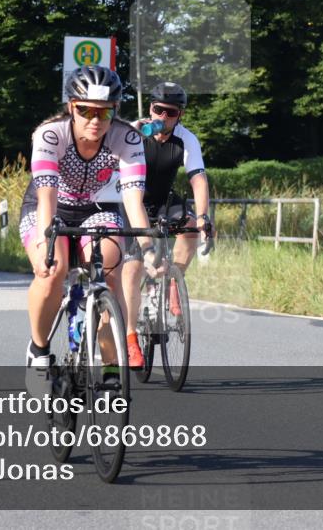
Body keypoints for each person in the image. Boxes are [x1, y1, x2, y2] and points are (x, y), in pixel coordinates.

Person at [20, 66, 155, 386]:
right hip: (48, 208)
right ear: (71, 108)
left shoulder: (128, 137)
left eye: (104, 112)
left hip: (98, 210)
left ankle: (110, 368)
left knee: (108, 267)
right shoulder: (50, 134)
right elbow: (46, 198)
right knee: (53, 269)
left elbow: (134, 202)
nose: (95, 120)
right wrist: (45, 246)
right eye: (85, 110)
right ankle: (38, 351)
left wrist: (148, 250)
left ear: (115, 111)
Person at [120, 82, 213, 369]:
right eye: (157, 109)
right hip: (131, 201)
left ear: (179, 115)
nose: (162, 116)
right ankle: (131, 337)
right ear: (150, 108)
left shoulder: (186, 139)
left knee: (190, 227)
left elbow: (198, 178)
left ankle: (173, 280)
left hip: (163, 201)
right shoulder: (133, 132)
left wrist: (203, 217)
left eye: (169, 112)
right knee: (133, 266)